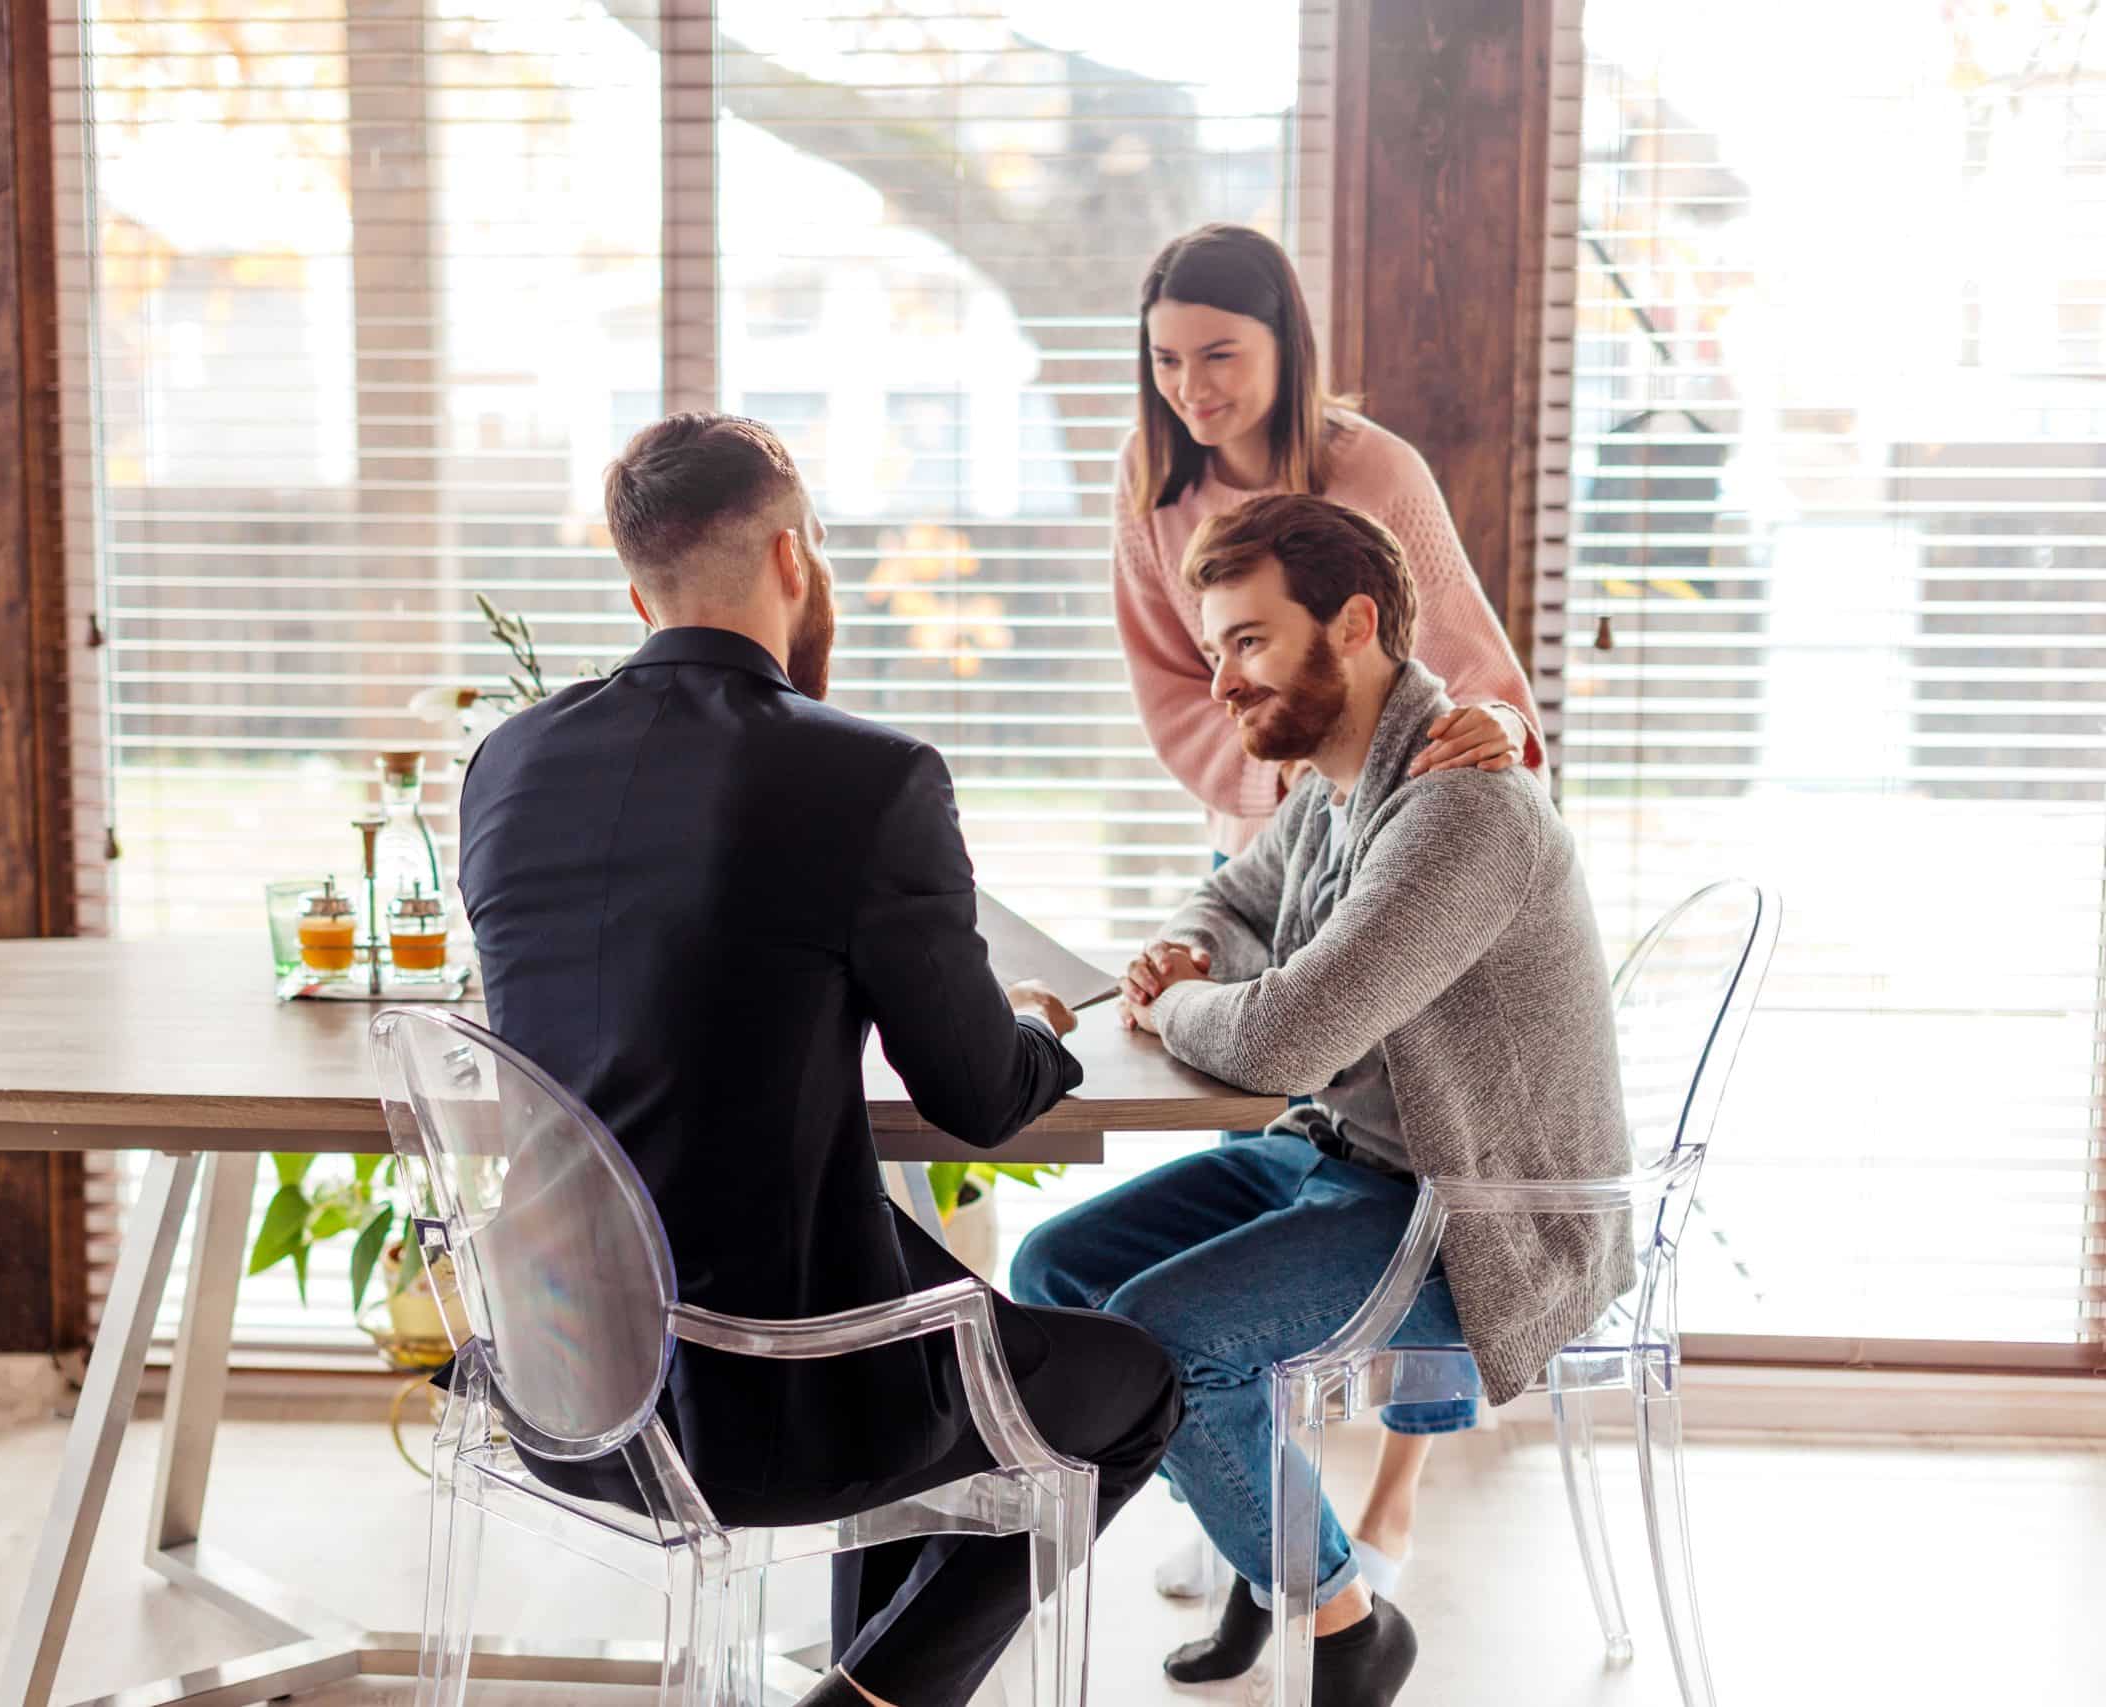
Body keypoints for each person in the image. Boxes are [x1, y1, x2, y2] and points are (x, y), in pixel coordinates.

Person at [456, 412, 1182, 1707]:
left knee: (928, 1314)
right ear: (797, 558)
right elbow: (976, 1097)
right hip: (772, 1400)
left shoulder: (507, 764)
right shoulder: (870, 774)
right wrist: (1039, 1028)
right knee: (1132, 1392)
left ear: (638, 591)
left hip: (570, 1378)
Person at [1012, 493, 1631, 1707]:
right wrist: (1186, 957)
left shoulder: (1460, 805)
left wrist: (1165, 1007)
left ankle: (1346, 1626)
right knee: (1057, 1276)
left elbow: (1287, 1038)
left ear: (1351, 624)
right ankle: (1271, 1548)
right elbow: (1228, 904)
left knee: (1173, 1340)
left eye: (1247, 641)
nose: (1222, 679)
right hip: (1340, 1160)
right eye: (1212, 649)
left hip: (1474, 1214)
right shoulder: (1332, 787)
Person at [1108, 219, 1544, 1639]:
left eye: (1221, 356)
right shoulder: (1155, 479)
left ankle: (1374, 1525)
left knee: (1392, 1091)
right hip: (1291, 793)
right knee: (1165, 1224)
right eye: (1167, 360)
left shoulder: (1374, 475)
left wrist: (1459, 741)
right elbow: (1177, 682)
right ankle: (1270, 1525)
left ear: (1290, 347)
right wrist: (1284, 773)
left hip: (1419, 794)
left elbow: (1453, 655)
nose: (1193, 387)